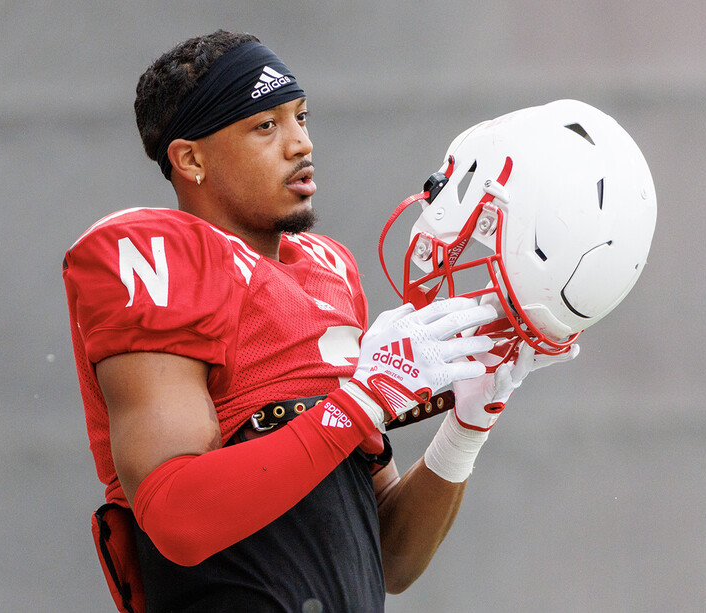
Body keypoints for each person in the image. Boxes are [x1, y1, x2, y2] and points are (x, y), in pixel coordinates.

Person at [63, 30, 572, 613]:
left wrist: (467, 427)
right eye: (265, 125)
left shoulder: (327, 270)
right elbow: (177, 516)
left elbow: (391, 557)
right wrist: (364, 400)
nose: (300, 143)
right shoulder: (154, 254)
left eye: (301, 117)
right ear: (190, 158)